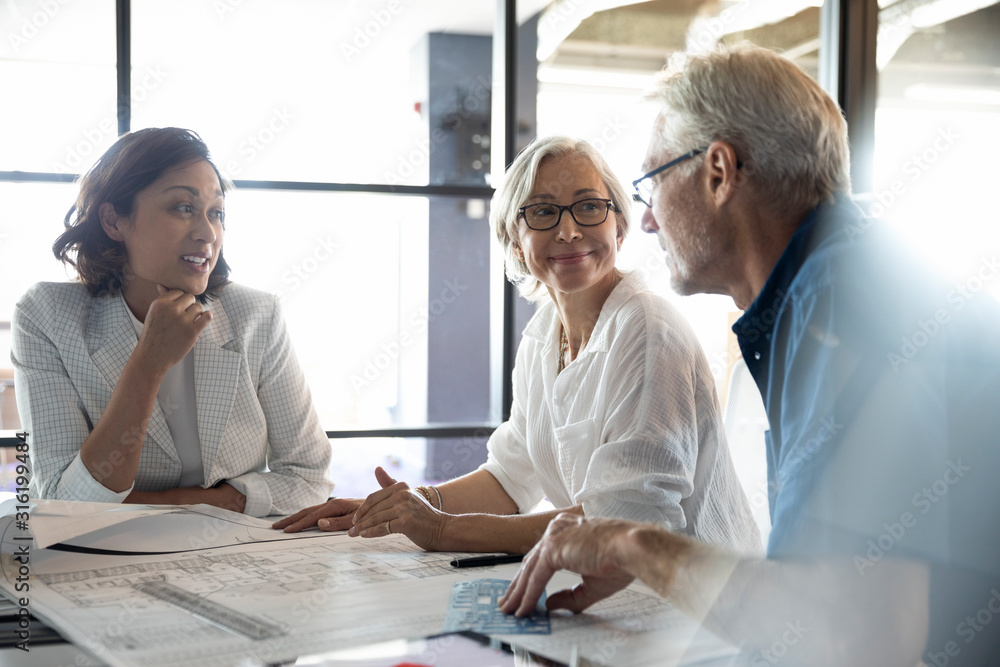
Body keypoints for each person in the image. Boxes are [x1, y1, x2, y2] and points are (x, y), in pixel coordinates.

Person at [500, 44, 1000, 667]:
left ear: (719, 171)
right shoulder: (835, 284)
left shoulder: (841, 305)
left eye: (652, 183)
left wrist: (630, 545)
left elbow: (854, 634)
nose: (647, 222)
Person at [275, 136, 759, 557]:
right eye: (544, 212)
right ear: (514, 236)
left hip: (693, 612)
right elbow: (510, 478)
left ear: (620, 225)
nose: (569, 230)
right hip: (603, 593)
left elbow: (628, 525)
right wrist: (400, 508)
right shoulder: (542, 335)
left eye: (589, 206)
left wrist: (440, 529)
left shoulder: (648, 329)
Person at [12, 127, 333, 518]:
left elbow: (310, 479)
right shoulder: (47, 316)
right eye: (183, 207)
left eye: (216, 213)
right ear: (114, 222)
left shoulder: (256, 316)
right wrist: (149, 363)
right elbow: (64, 504)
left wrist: (185, 503)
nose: (208, 233)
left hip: (231, 559)